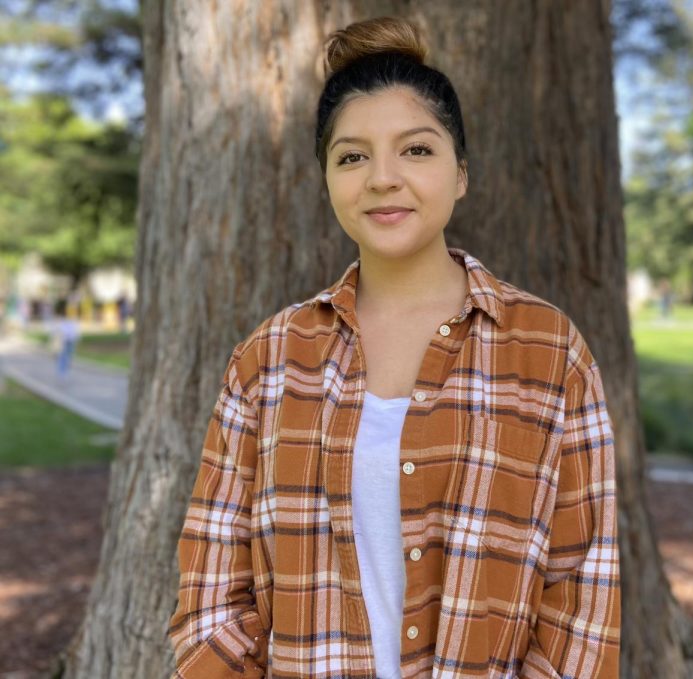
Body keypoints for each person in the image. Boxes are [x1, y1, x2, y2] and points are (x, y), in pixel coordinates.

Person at [168, 16, 619, 679]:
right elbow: (210, 590)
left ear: (460, 174)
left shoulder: (549, 351)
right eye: (352, 156)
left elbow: (583, 590)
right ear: (327, 181)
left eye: (415, 150)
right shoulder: (267, 359)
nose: (383, 177)